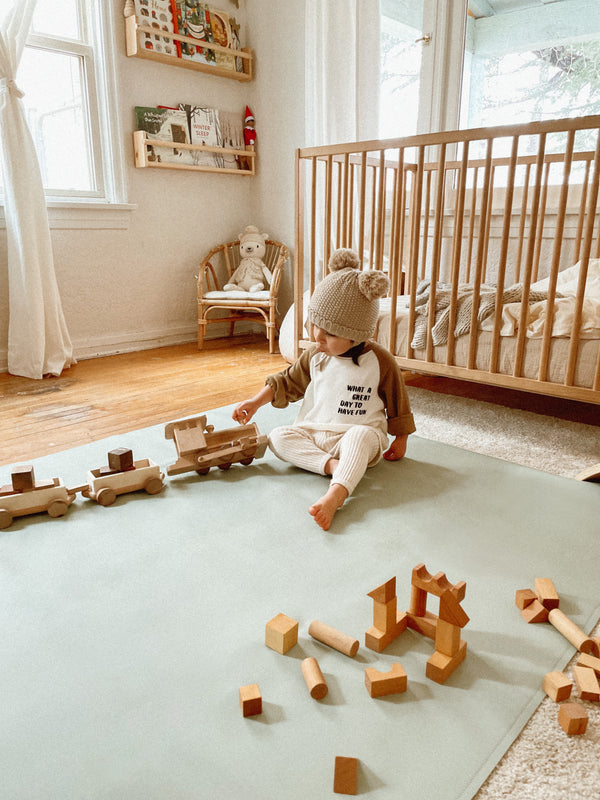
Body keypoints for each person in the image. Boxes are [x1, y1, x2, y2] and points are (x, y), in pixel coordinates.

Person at [232, 248, 416, 531]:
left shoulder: (379, 361)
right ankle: (333, 467)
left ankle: (336, 494)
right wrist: (255, 402)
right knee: (278, 437)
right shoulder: (315, 355)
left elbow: (397, 401)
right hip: (315, 434)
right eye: (316, 325)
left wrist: (400, 439)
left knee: (360, 437)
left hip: (358, 434)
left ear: (356, 334)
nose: (318, 336)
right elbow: (286, 381)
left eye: (330, 333)